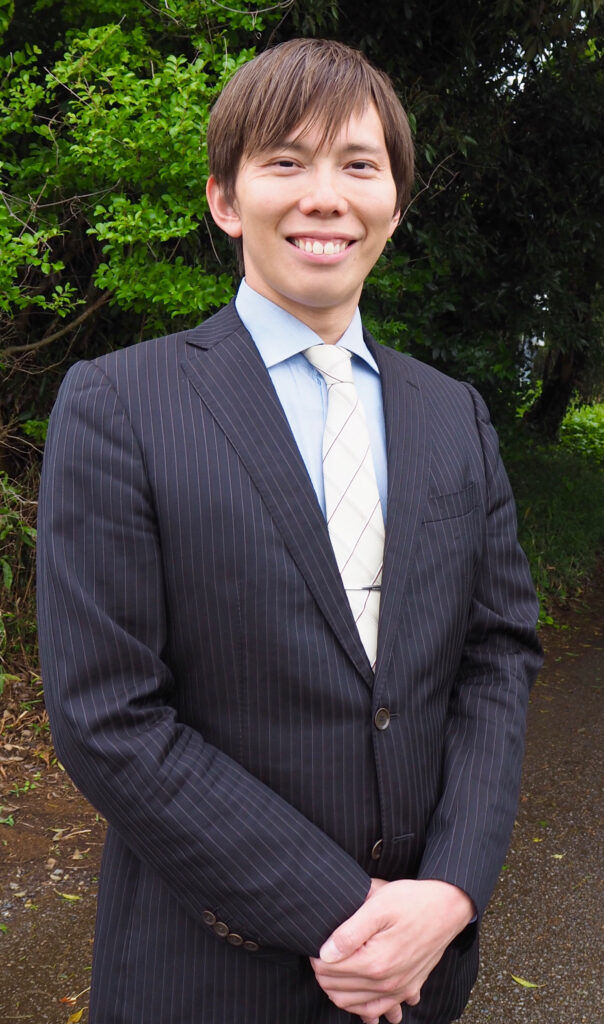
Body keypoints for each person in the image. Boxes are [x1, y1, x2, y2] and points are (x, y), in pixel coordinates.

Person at [37, 38, 542, 1024]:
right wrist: (350, 917)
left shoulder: (454, 415)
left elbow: (497, 655)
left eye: (358, 164)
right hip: (205, 975)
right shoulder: (119, 404)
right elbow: (107, 715)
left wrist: (449, 892)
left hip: (422, 977)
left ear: (394, 202)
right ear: (226, 199)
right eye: (284, 161)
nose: (325, 196)